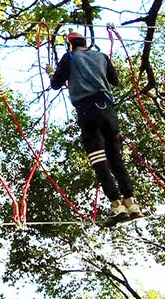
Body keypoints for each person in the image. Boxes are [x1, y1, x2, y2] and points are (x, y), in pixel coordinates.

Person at [46, 31, 142, 227]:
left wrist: (51, 72)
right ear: (85, 42)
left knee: (99, 159)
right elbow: (114, 81)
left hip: (87, 111)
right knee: (116, 159)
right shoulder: (101, 56)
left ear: (70, 44)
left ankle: (117, 205)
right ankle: (132, 204)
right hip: (108, 112)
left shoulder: (70, 57)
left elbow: (56, 84)